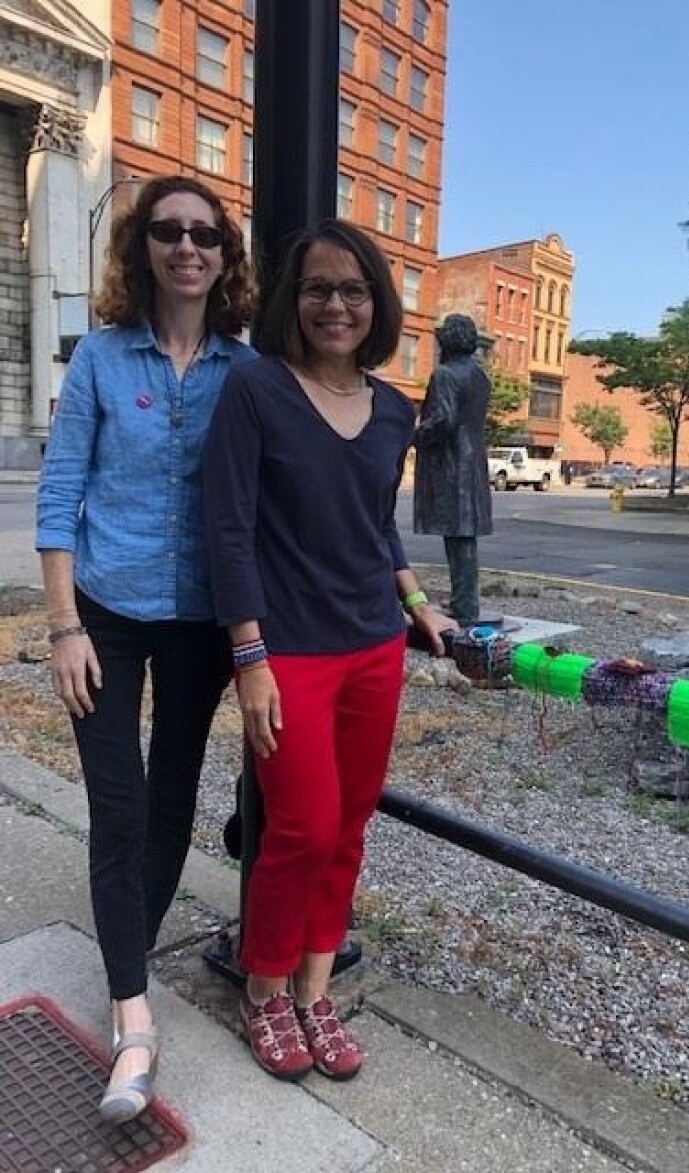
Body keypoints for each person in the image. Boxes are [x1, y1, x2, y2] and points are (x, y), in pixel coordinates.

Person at [203, 218, 453, 1083]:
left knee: (348, 823)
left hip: (374, 650)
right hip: (290, 653)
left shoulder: (395, 410)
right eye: (316, 288)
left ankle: (316, 988)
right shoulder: (256, 389)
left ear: (376, 303)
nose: (334, 305)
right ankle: (264, 988)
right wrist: (249, 657)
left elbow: (372, 523)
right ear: (292, 300)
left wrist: (421, 604)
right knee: (301, 826)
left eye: (353, 290)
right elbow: (227, 531)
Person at [35, 175, 255, 1122]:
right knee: (117, 806)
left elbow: (269, 504)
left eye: (205, 234)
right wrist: (63, 626)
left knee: (171, 802)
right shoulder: (97, 360)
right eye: (168, 231)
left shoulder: (243, 374)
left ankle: (127, 951)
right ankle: (134, 1012)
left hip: (203, 620)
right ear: (144, 248)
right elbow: (58, 497)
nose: (187, 247)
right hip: (108, 613)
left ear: (225, 256)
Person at [412, 313, 492, 625]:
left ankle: (466, 607)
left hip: (453, 463)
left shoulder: (445, 374)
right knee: (463, 537)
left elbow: (443, 419)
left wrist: (414, 436)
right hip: (473, 462)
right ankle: (465, 602)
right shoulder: (481, 376)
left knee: (458, 538)